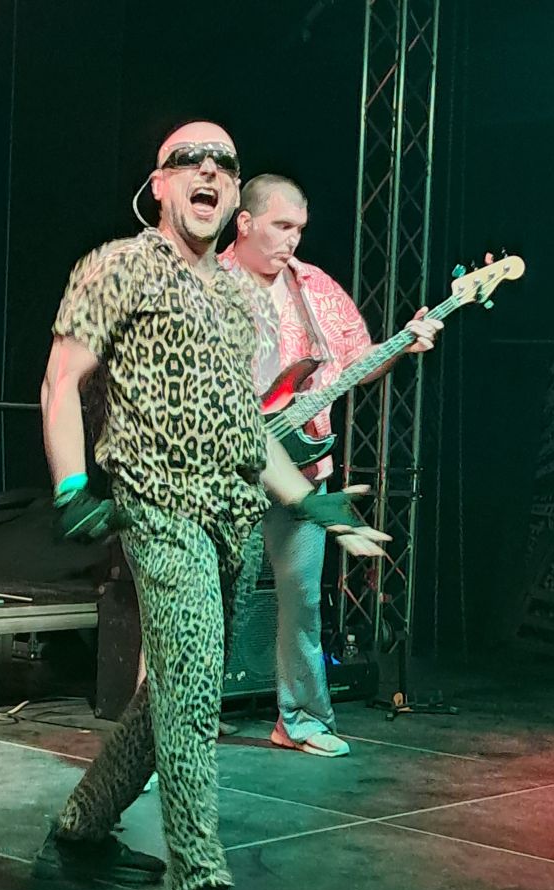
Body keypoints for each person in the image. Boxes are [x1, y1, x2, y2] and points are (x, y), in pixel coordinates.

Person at [33, 121, 390, 890]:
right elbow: (60, 380)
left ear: (232, 196)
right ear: (159, 184)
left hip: (232, 518)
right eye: (188, 159)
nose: (208, 169)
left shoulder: (236, 298)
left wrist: (308, 498)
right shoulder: (117, 266)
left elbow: (247, 428)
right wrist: (73, 486)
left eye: (223, 163)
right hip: (158, 506)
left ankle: (81, 828)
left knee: (176, 688)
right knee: (193, 694)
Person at [219, 174, 442, 756]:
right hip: (228, 473)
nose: (292, 239)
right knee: (213, 602)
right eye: (281, 226)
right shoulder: (209, 283)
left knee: (303, 601)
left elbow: (358, 364)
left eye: (299, 228)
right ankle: (176, 721)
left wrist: (403, 344)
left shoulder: (314, 287)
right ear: (245, 223)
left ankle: (300, 720)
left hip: (305, 470)